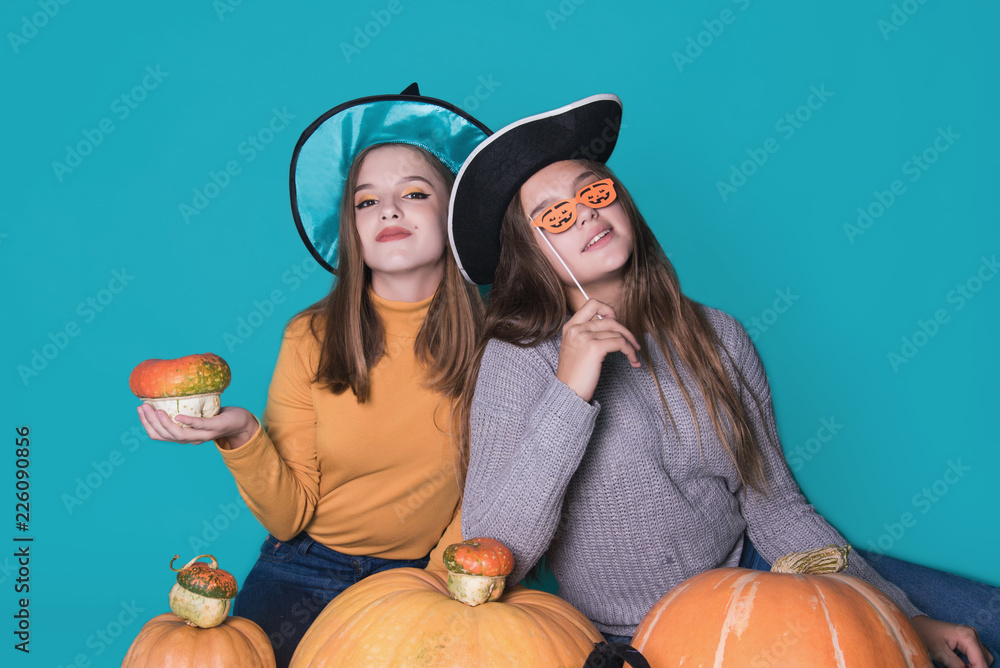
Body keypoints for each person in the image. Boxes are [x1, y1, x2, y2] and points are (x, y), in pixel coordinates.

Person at [448, 94, 997, 668]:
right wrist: (570, 390)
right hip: (633, 637)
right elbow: (493, 556)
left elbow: (776, 507)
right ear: (529, 256)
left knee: (982, 626)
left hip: (756, 579)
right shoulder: (518, 358)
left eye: (595, 192)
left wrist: (900, 618)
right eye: (556, 216)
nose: (585, 213)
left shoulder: (718, 335)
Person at [136, 84, 489, 667]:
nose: (389, 210)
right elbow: (288, 516)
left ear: (453, 213)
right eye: (366, 202)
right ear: (351, 227)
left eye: (414, 193)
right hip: (304, 567)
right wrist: (241, 432)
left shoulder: (497, 348)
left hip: (422, 574)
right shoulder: (310, 337)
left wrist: (429, 587)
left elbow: (488, 490)